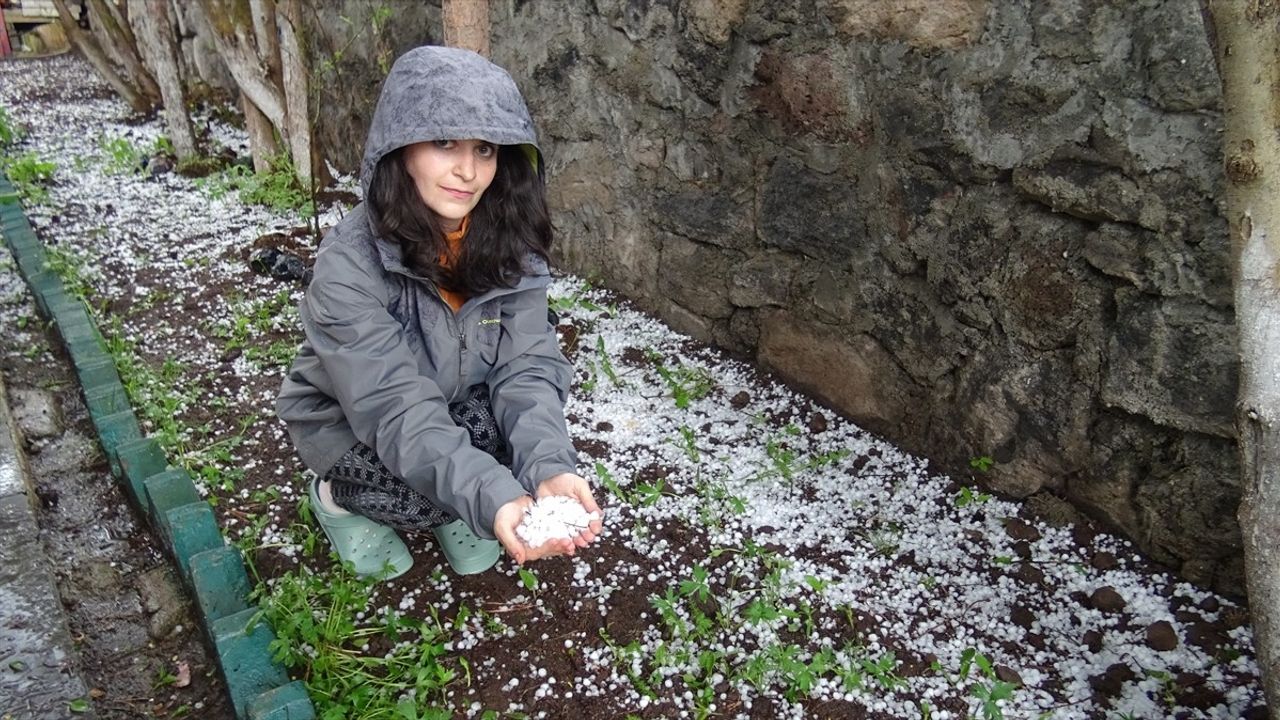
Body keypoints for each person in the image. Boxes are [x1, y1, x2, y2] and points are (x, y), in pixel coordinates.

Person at [276, 46, 602, 579]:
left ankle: (461, 505)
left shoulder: (507, 243)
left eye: (485, 149)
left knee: (502, 458)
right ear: (399, 146)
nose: (468, 171)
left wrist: (548, 470)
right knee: (444, 490)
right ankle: (335, 496)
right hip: (349, 419)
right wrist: (493, 498)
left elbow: (526, 366)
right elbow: (394, 409)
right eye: (444, 142)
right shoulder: (350, 264)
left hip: (450, 392)